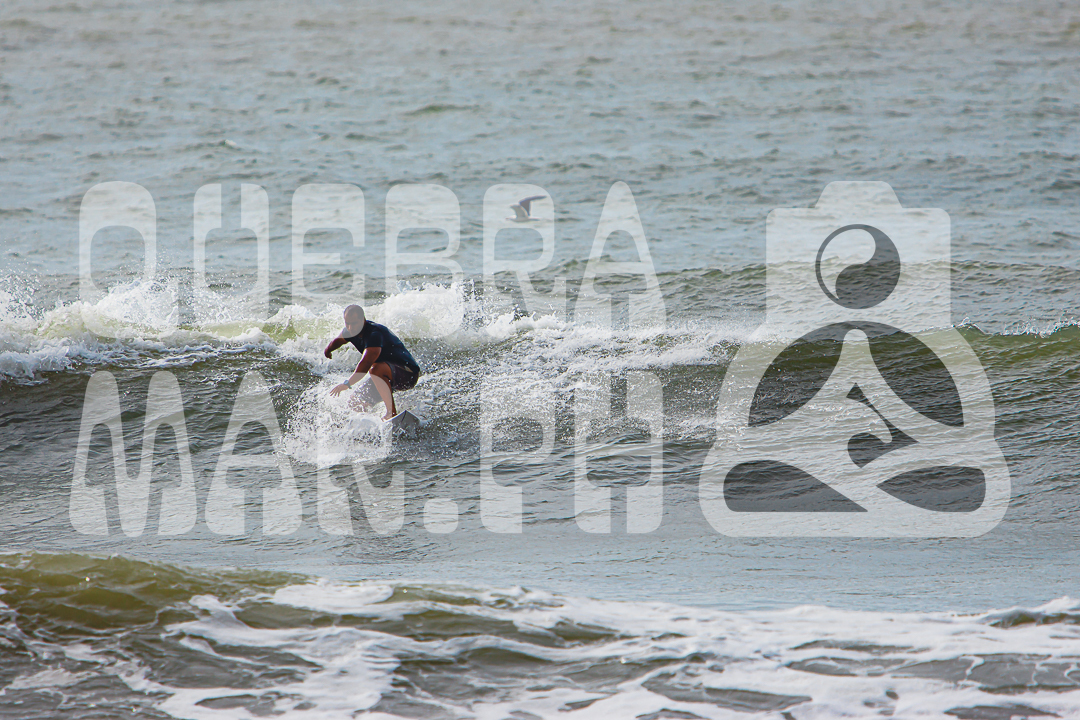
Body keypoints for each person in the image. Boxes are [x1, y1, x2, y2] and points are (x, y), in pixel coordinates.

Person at [324, 305, 421, 420]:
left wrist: (347, 384)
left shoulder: (375, 333)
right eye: (347, 323)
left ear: (363, 320)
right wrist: (328, 350)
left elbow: (365, 364)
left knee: (375, 369)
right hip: (387, 376)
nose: (350, 328)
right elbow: (337, 341)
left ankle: (391, 413)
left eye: (354, 323)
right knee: (355, 401)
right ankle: (372, 424)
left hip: (407, 374)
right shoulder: (349, 331)